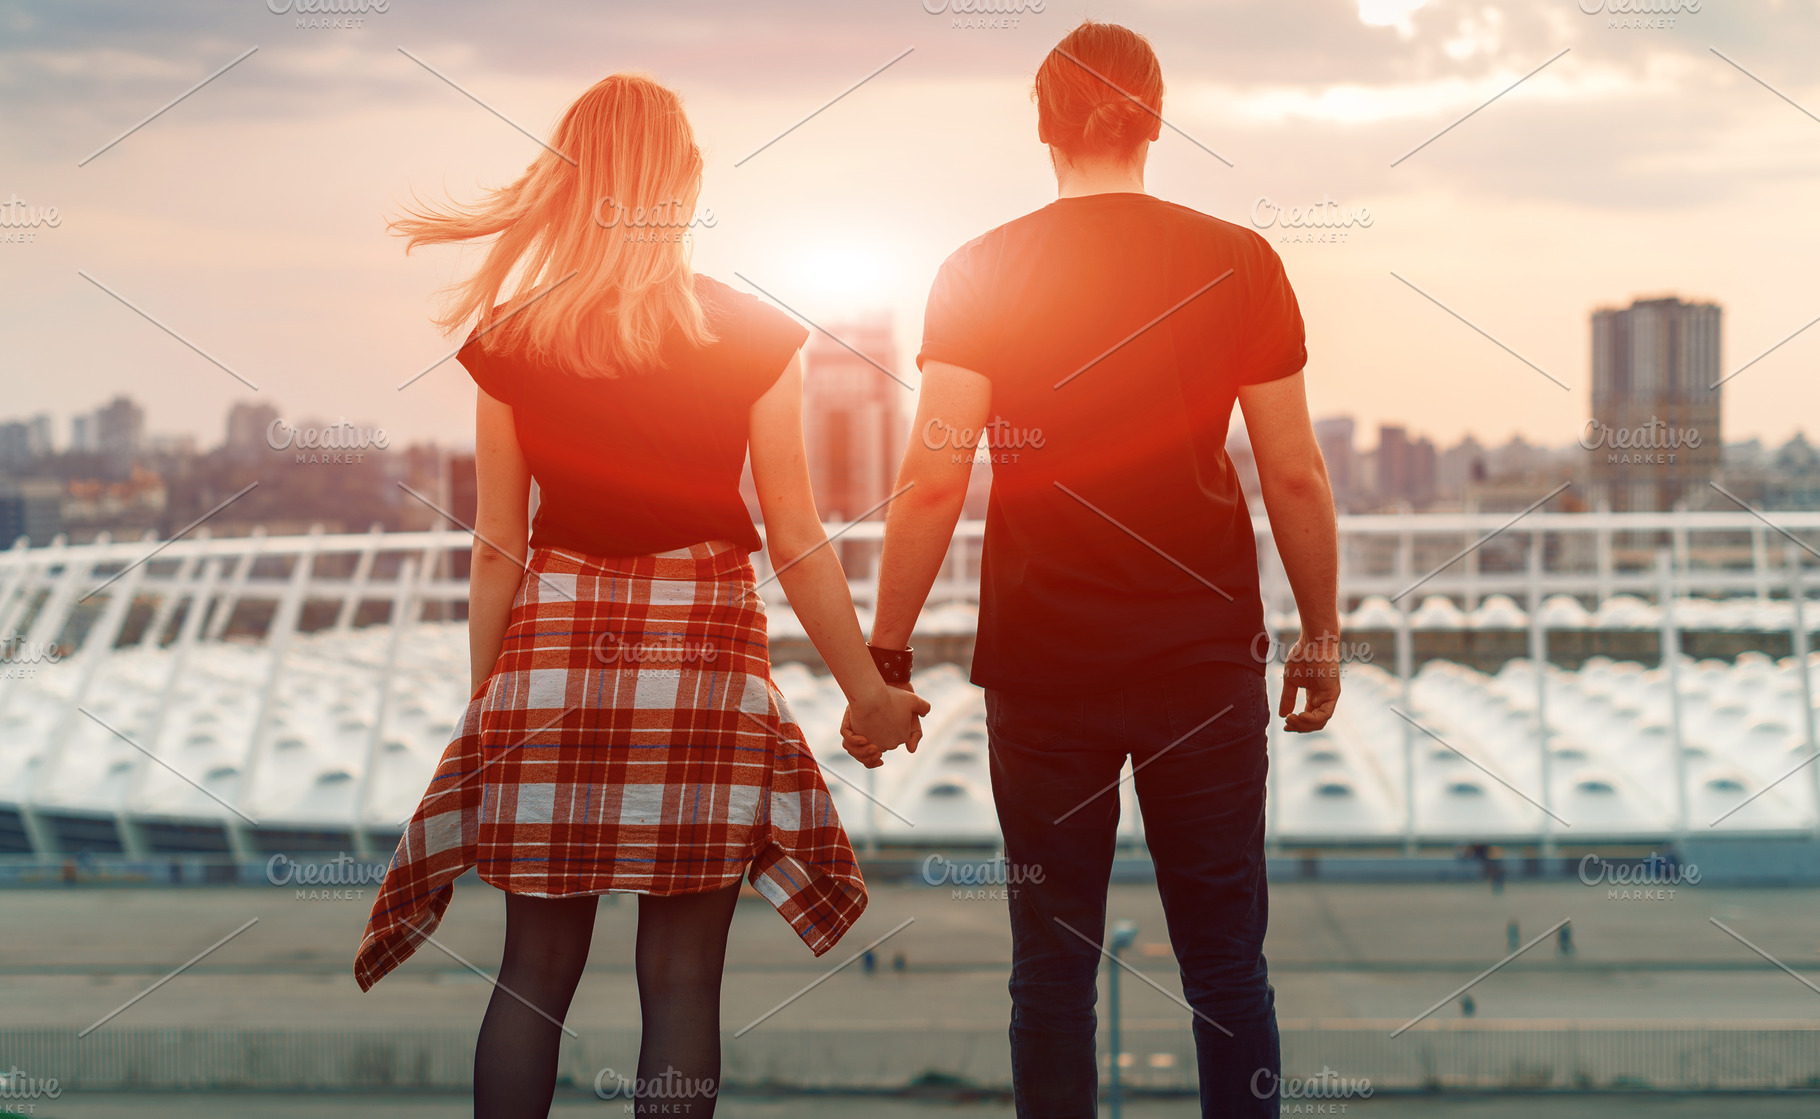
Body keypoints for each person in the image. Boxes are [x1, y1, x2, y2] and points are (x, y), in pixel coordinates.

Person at [352, 72, 927, 1119]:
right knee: (680, 976)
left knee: (533, 969)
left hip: (552, 657)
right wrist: (868, 692)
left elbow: (496, 550)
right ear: (683, 182)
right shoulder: (753, 334)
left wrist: (492, 707)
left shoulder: (511, 338)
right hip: (702, 657)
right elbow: (796, 535)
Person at [842, 21, 1341, 1119]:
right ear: (1155, 118)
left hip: (1042, 664)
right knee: (1224, 969)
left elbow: (931, 482)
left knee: (1051, 973)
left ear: (1041, 124)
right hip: (1202, 656)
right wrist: (1319, 634)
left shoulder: (979, 268)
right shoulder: (1239, 259)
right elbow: (1293, 475)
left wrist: (881, 657)